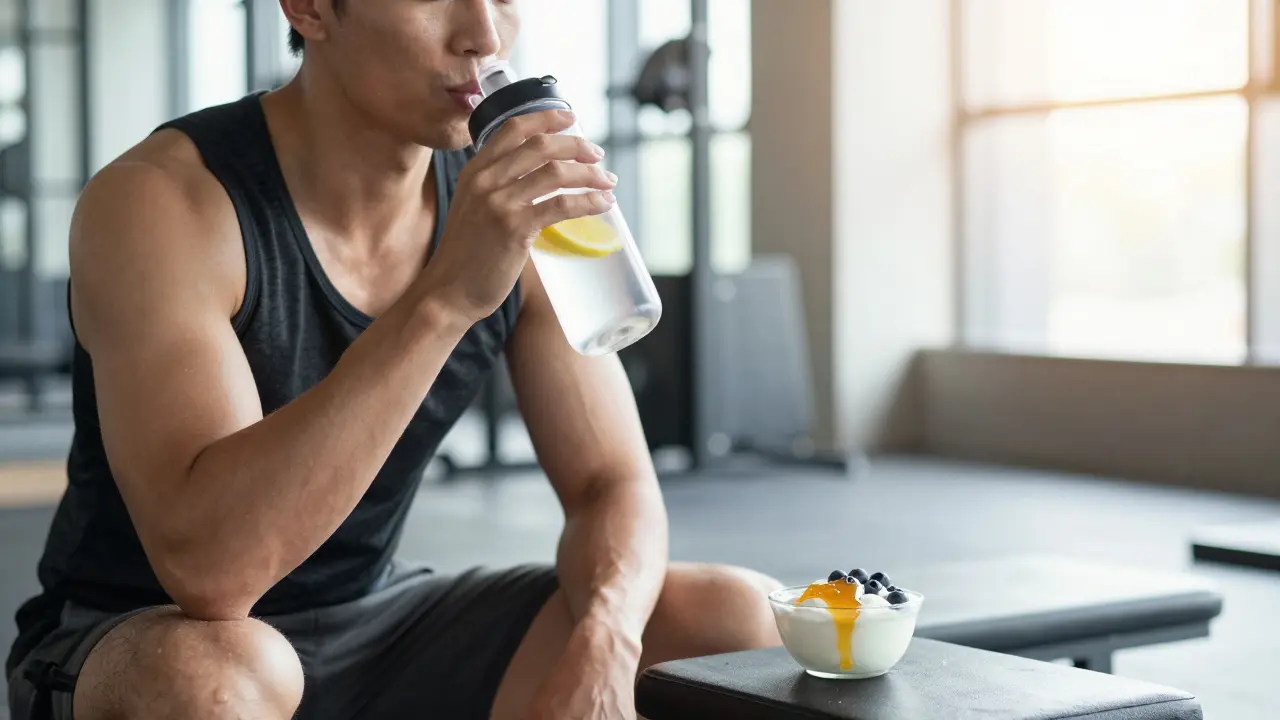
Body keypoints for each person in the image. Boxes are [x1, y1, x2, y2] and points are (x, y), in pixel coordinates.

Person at [4, 1, 783, 718]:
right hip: (153, 635)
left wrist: (606, 649)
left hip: (381, 622)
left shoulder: (506, 207)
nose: (484, 32)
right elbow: (213, 575)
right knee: (217, 680)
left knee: (729, 621)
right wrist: (445, 298)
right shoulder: (162, 202)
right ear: (309, 7)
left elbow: (611, 484)